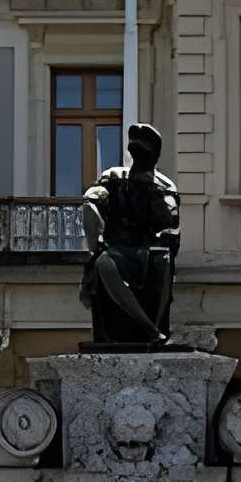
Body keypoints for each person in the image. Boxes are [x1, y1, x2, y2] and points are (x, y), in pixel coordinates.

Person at [79, 121, 179, 350]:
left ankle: (156, 328)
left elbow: (170, 223)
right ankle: (150, 331)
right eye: (137, 152)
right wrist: (94, 199)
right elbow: (96, 197)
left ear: (154, 157)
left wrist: (154, 197)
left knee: (164, 260)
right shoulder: (114, 177)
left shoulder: (164, 186)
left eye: (146, 154)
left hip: (146, 249)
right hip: (117, 249)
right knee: (104, 263)